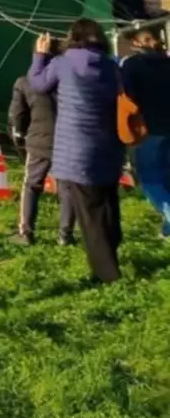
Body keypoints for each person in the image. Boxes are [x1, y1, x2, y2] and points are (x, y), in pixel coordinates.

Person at [28, 20, 125, 283]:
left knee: (91, 215)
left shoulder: (64, 63)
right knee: (108, 204)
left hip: (78, 150)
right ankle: (112, 249)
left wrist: (40, 55)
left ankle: (107, 273)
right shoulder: (111, 65)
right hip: (110, 146)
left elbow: (38, 84)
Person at [8, 66, 74, 245]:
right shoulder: (69, 81)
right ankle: (65, 235)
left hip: (39, 141)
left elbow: (17, 115)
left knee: (31, 185)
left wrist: (19, 134)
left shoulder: (25, 82)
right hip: (68, 140)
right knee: (67, 189)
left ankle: (26, 232)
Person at [120, 24, 170, 239]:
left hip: (148, 128)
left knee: (149, 178)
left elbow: (127, 97)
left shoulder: (132, 65)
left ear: (136, 43)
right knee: (167, 175)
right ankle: (168, 229)